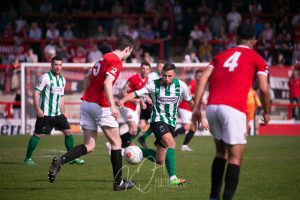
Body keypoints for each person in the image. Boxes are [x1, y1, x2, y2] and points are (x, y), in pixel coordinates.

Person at [192, 24, 270, 200]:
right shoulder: (258, 59)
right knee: (235, 158)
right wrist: (266, 112)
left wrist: (197, 108)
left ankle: (213, 196)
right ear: (255, 41)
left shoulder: (220, 55)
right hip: (233, 109)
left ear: (236, 39)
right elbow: (264, 89)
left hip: (212, 107)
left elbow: (203, 77)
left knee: (221, 153)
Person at [47, 35, 135, 191]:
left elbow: (88, 77)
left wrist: (88, 97)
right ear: (127, 49)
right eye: (130, 52)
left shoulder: (103, 58)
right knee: (116, 143)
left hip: (87, 103)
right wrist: (113, 106)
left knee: (90, 145)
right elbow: (108, 83)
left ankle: (60, 160)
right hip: (101, 106)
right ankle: (118, 183)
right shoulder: (116, 61)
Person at [119, 63, 193, 185]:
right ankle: (173, 178)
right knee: (171, 143)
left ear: (174, 75)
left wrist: (200, 117)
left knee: (160, 160)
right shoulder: (153, 85)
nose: (167, 79)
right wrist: (123, 100)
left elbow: (190, 102)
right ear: (161, 74)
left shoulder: (181, 86)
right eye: (164, 76)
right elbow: (136, 93)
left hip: (171, 124)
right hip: (157, 121)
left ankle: (132, 150)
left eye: (170, 76)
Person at [24, 56, 84, 166]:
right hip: (45, 113)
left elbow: (61, 97)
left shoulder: (62, 80)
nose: (58, 67)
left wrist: (64, 111)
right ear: (51, 65)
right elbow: (36, 93)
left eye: (60, 65)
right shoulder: (45, 77)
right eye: (56, 64)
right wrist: (38, 109)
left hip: (58, 114)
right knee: (38, 135)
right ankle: (27, 159)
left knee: (68, 132)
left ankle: (71, 158)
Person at [118, 61, 151, 148]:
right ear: (140, 69)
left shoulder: (146, 80)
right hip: (126, 106)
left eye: (147, 69)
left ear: (149, 70)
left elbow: (140, 94)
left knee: (134, 131)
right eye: (143, 68)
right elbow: (122, 91)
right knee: (133, 129)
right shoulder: (133, 79)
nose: (145, 70)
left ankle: (116, 145)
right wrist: (132, 100)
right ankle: (116, 144)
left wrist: (143, 102)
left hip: (133, 108)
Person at [174, 69, 206, 151]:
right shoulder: (193, 82)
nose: (200, 77)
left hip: (190, 108)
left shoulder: (201, 84)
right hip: (185, 106)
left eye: (201, 76)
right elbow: (187, 93)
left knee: (193, 128)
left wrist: (201, 102)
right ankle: (169, 138)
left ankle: (184, 146)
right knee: (187, 126)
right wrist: (196, 96)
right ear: (195, 76)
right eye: (198, 76)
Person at [137, 61, 164, 148]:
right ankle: (144, 138)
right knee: (157, 121)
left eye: (162, 67)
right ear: (157, 67)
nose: (161, 68)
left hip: (154, 103)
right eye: (159, 66)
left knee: (142, 124)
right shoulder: (152, 76)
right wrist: (147, 97)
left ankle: (126, 139)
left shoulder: (164, 77)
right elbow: (145, 87)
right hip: (149, 102)